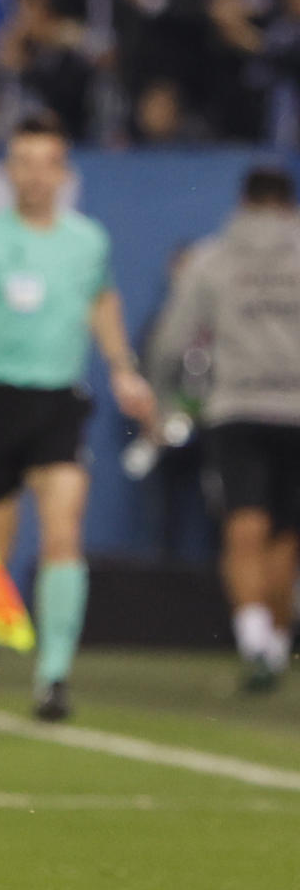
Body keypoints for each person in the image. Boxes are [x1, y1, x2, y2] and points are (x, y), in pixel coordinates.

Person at [0, 113, 156, 721]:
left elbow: (102, 298)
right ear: (8, 171)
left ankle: (54, 679)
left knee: (63, 532)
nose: (34, 176)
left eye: (45, 163)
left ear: (63, 172)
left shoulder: (86, 241)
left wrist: (123, 367)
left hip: (57, 403)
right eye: (22, 162)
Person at [147, 165, 300, 691]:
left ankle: (255, 637)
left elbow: (172, 340)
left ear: (244, 201)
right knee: (285, 534)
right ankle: (277, 645)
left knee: (243, 524)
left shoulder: (215, 257)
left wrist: (163, 402)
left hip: (238, 407)